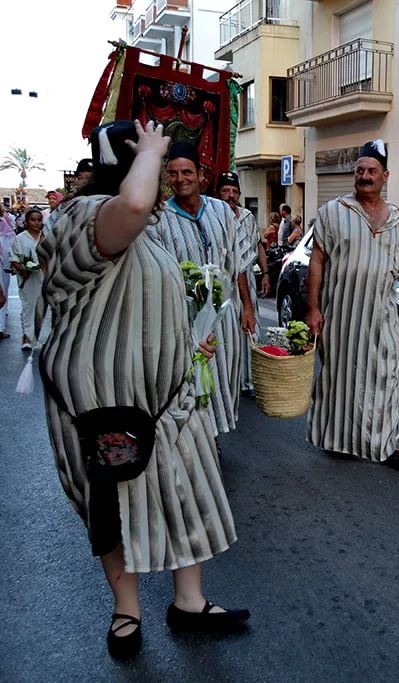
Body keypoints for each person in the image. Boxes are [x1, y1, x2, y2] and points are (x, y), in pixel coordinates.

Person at [36, 120, 247, 661]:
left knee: (186, 500)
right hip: (104, 412)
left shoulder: (146, 229)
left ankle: (189, 603)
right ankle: (126, 611)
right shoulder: (83, 217)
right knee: (114, 513)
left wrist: (185, 339)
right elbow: (129, 209)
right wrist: (151, 151)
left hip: (167, 405)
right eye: (154, 164)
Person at [306, 139, 399, 470]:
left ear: (384, 176)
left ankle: (386, 446)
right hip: (340, 317)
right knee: (340, 380)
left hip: (382, 317)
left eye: (371, 171)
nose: (364, 176)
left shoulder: (397, 218)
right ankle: (338, 441)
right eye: (360, 170)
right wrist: (313, 308)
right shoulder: (332, 212)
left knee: (385, 378)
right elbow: (316, 261)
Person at [151, 141, 254, 435]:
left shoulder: (222, 212)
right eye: (172, 173)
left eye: (186, 172)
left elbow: (241, 262)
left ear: (201, 174)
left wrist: (247, 307)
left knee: (222, 381)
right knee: (188, 382)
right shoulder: (158, 220)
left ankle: (213, 436)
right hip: (183, 323)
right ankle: (197, 439)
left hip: (225, 321)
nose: (180, 179)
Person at [217, 172, 271, 396]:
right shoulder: (214, 215)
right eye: (226, 191)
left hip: (247, 277)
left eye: (235, 191)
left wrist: (265, 273)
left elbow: (258, 245)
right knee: (226, 330)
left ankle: (249, 380)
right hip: (224, 280)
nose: (231, 196)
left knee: (251, 328)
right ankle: (228, 380)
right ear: (218, 193)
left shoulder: (248, 216)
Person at [8, 207, 46, 349]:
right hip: (28, 278)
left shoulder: (46, 237)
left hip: (45, 276)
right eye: (33, 220)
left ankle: (42, 337)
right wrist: (22, 269)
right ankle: (27, 337)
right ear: (27, 222)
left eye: (39, 220)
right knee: (29, 307)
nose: (36, 223)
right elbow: (14, 257)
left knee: (44, 308)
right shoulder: (20, 239)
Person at [0, 204, 15, 340]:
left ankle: (0, 326)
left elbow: (8, 248)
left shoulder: (4, 226)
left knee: (2, 290)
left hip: (1, 264)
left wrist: (11, 263)